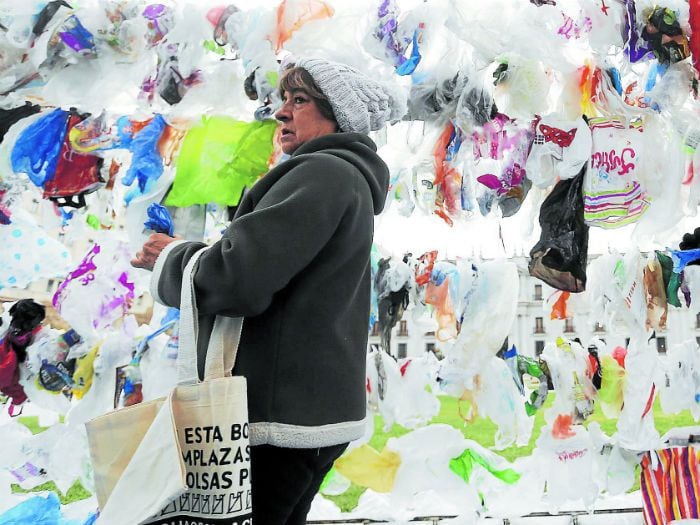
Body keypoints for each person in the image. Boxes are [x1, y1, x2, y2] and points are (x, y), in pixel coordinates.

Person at [131, 57, 405, 525]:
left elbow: (240, 279)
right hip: (307, 411)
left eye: (299, 101)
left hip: (281, 417)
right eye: (283, 100)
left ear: (336, 115)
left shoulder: (323, 174)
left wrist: (175, 257)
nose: (281, 112)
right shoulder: (343, 178)